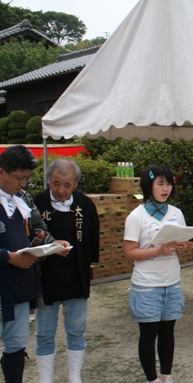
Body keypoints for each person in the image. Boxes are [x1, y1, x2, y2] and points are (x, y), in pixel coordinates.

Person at [0, 145, 70, 383]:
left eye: (28, 179)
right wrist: (9, 257)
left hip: (20, 284)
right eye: (20, 178)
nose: (24, 184)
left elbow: (39, 227)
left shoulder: (23, 197)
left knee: (16, 344)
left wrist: (50, 243)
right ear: (1, 172)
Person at [32, 158, 100, 383]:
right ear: (47, 180)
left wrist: (90, 263)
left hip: (75, 277)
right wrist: (50, 248)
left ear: (76, 184)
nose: (61, 190)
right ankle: (45, 378)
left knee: (76, 331)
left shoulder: (85, 204)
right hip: (45, 279)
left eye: (67, 185)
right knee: (44, 333)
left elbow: (93, 238)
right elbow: (28, 238)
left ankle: (75, 376)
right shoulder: (36, 203)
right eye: (55, 183)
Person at [123, 164, 188, 383]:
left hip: (172, 283)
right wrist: (158, 250)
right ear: (148, 185)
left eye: (168, 183)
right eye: (160, 183)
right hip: (147, 286)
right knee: (149, 335)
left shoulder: (176, 213)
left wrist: (182, 246)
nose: (165, 188)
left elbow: (184, 242)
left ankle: (166, 376)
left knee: (168, 333)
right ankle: (152, 379)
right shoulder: (136, 216)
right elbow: (129, 251)